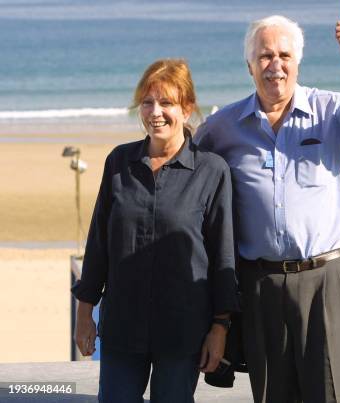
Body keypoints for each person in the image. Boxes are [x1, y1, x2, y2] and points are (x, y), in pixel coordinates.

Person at [196, 8, 340, 403]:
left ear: (298, 62)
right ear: (249, 65)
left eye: (284, 56)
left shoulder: (332, 113)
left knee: (335, 393)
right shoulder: (223, 126)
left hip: (328, 277)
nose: (275, 65)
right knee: (274, 395)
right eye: (265, 56)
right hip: (260, 284)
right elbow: (190, 168)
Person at [72, 59, 239, 403]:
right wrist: (85, 312)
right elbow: (99, 243)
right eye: (148, 102)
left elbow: (223, 255)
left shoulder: (212, 171)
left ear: (188, 108)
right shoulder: (119, 162)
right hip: (122, 327)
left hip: (183, 330)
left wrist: (220, 327)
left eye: (167, 103)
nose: (155, 112)